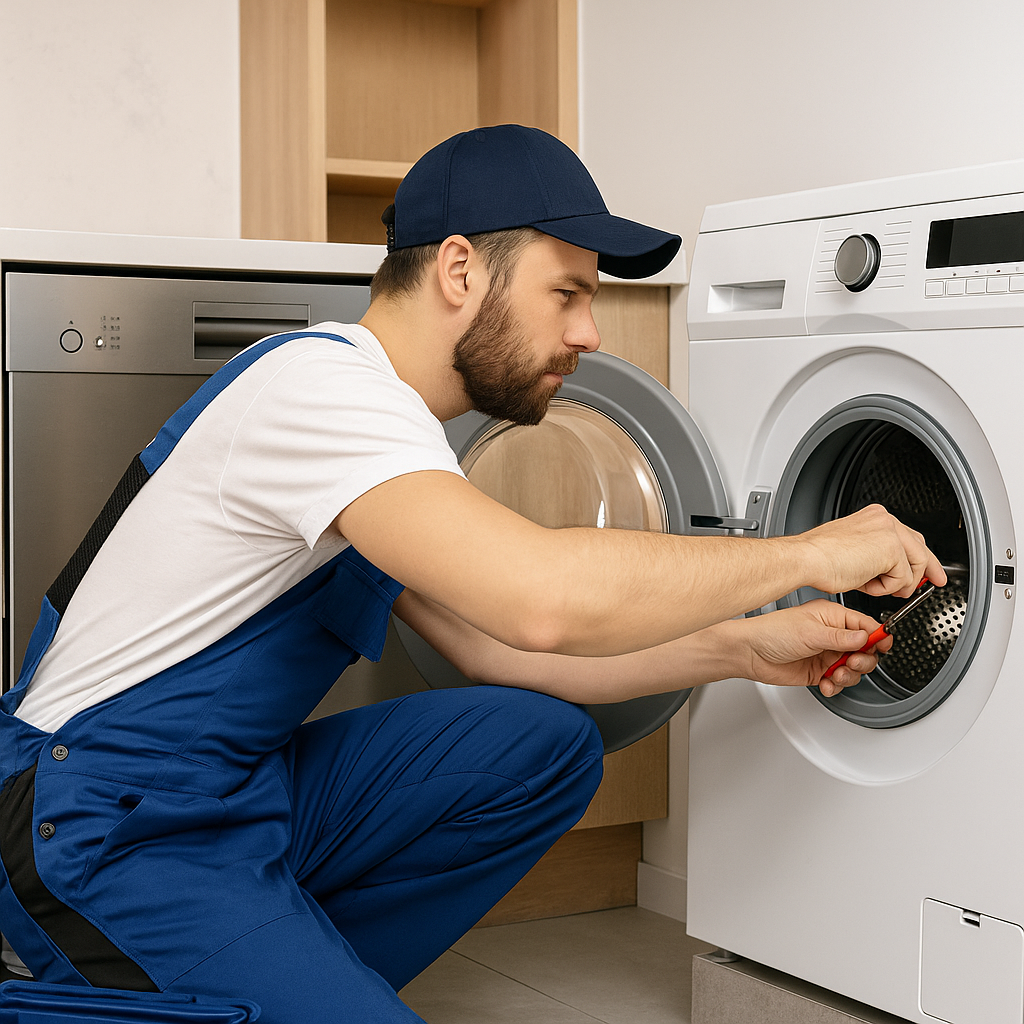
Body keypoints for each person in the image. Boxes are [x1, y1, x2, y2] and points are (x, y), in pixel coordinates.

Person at [0, 125, 945, 1023]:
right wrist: (810, 552)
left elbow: (508, 656)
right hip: (91, 818)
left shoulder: (390, 431)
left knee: (538, 744)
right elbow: (542, 601)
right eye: (567, 293)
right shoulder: (322, 391)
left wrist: (741, 646)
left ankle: (268, 969)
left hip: (222, 793)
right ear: (460, 269)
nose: (591, 333)